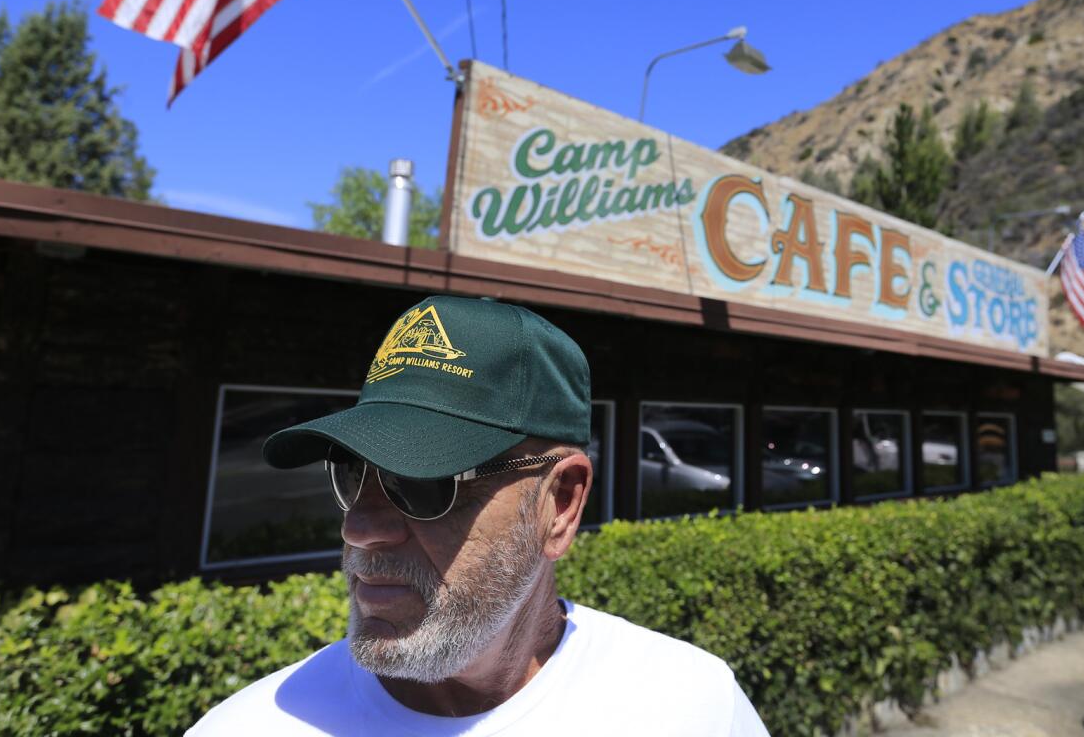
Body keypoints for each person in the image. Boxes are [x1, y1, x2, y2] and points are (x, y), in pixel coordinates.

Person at [188, 295, 768, 735]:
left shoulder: (690, 709)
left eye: (423, 482)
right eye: (350, 472)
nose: (359, 528)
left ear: (559, 504)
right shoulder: (248, 726)